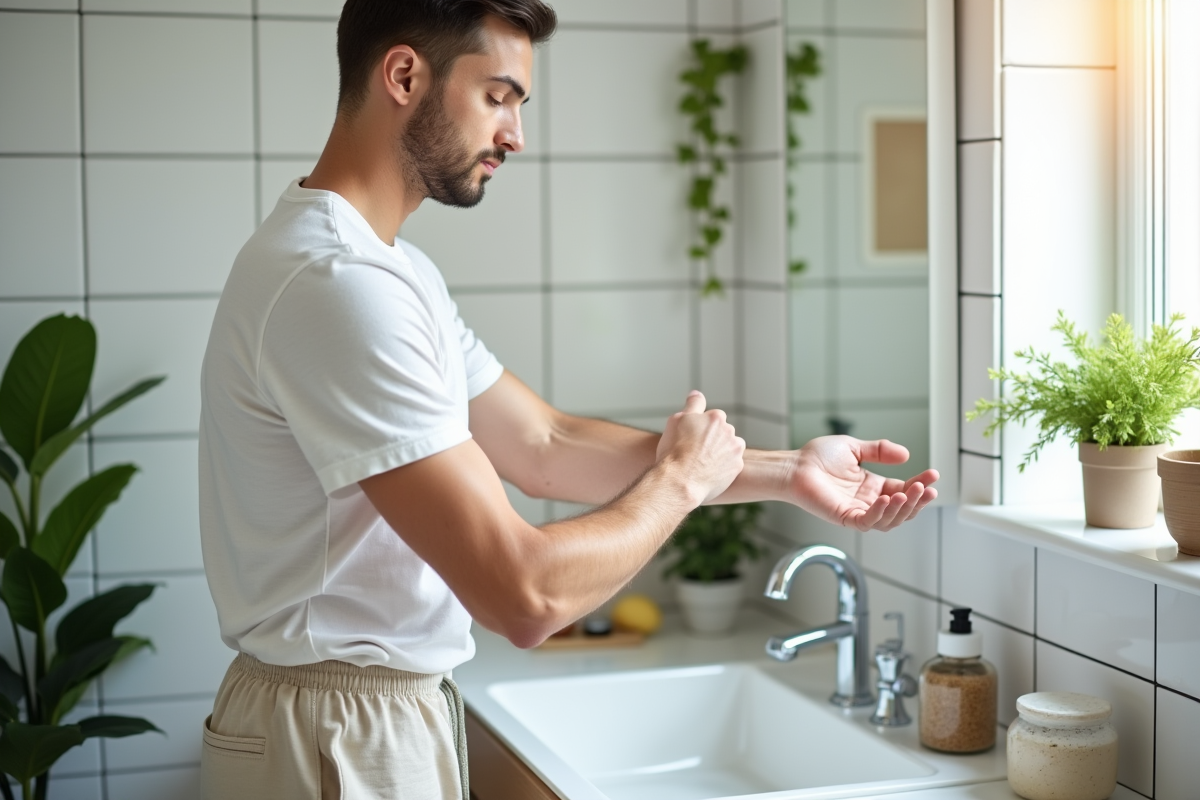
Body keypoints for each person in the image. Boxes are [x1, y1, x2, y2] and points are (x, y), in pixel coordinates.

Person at [197, 1, 939, 797]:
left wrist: (788, 470)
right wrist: (679, 486)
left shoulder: (389, 271)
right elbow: (525, 594)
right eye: (498, 96)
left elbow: (543, 445)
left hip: (360, 717)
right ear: (405, 75)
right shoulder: (339, 283)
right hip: (333, 732)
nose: (515, 135)